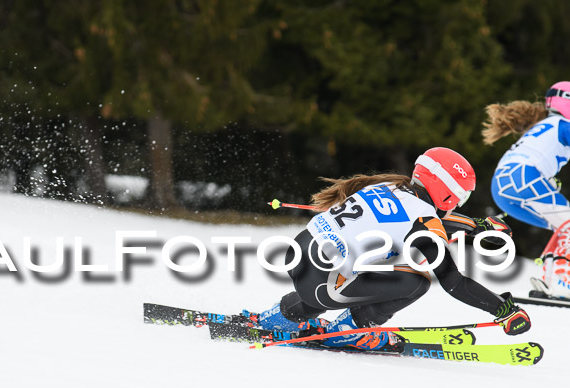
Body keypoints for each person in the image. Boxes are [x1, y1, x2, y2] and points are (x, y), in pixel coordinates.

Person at [243, 147, 531, 351]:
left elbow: (427, 219)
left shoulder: (387, 187)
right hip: (323, 283)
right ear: (447, 192)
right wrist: (503, 309)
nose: (458, 204)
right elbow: (454, 283)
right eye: (461, 197)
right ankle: (348, 332)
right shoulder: (425, 219)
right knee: (416, 280)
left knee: (347, 269)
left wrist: (476, 226)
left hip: (299, 256)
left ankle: (279, 318)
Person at [483, 81, 570, 298]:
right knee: (567, 224)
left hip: (501, 184)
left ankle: (551, 280)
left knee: (562, 226)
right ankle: (561, 281)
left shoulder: (544, 125)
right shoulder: (563, 125)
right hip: (524, 176)